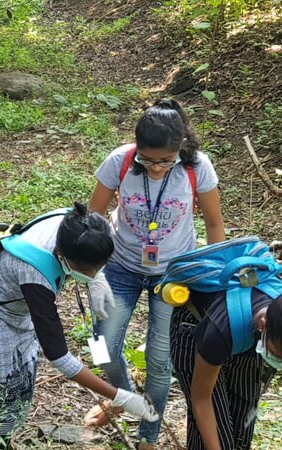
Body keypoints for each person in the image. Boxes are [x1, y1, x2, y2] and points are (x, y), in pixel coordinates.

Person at [0, 203, 159, 449]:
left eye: (99, 266)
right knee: (6, 396)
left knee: (20, 386)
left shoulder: (76, 224)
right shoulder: (34, 272)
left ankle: (1, 441)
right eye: (86, 270)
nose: (92, 274)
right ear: (61, 255)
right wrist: (118, 396)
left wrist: (97, 279)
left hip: (17, 304)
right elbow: (58, 355)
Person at [86, 98, 226, 448]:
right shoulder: (119, 161)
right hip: (121, 266)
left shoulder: (198, 167)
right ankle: (122, 398)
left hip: (173, 275)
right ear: (137, 148)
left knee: (159, 360)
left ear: (180, 149)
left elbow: (213, 223)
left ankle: (147, 435)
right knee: (101, 347)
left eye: (166, 160)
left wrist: (214, 274)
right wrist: (90, 265)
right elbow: (94, 215)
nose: (156, 168)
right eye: (147, 160)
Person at [171, 286, 281, 450]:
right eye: (277, 355)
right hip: (198, 327)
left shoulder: (274, 320)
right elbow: (201, 400)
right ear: (262, 325)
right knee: (217, 440)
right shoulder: (220, 331)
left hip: (245, 341)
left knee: (241, 434)